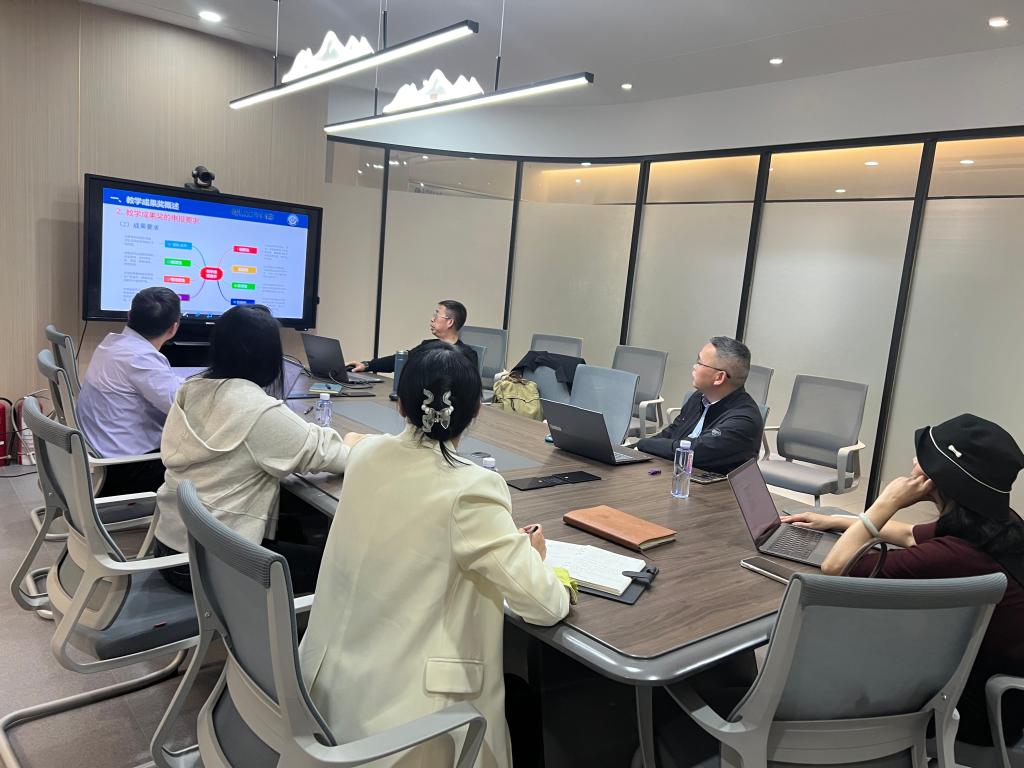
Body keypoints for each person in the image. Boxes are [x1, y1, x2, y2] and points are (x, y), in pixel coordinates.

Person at [300, 340, 570, 768]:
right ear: (477, 411)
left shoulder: (365, 454)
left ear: (401, 405)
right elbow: (545, 606)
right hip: (411, 727)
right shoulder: (472, 488)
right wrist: (532, 555)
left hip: (325, 692)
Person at [782, 413, 1024, 746]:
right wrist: (836, 520)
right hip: (997, 692)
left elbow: (836, 567)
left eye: (923, 459)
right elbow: (910, 534)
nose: (913, 461)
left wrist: (888, 501)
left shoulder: (952, 556)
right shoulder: (996, 523)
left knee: (836, 645)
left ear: (940, 480)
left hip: (974, 711)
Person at [153, 304, 358, 593]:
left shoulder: (192, 388)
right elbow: (336, 457)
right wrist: (353, 441)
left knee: (298, 522)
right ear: (268, 357)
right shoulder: (258, 411)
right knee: (345, 570)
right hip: (210, 567)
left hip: (170, 546)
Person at [77, 286, 185, 495]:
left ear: (129, 315)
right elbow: (181, 407)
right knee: (206, 461)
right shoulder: (141, 358)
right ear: (173, 328)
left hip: (101, 459)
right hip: (125, 470)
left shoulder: (112, 344)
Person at [636, 336, 762, 473]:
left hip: (714, 485)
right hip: (678, 475)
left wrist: (643, 444)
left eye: (700, 363)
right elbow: (673, 432)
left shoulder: (744, 420)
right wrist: (635, 451)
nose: (694, 366)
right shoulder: (700, 397)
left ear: (719, 377)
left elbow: (693, 451)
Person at [347, 299, 478, 374]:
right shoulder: (427, 346)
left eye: (437, 315)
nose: (432, 319)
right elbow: (401, 360)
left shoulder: (467, 355)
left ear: (450, 322)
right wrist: (367, 365)